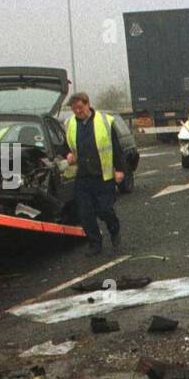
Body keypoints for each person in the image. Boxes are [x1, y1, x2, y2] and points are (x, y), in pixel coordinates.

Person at [63, 91, 123, 256]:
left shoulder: (104, 121)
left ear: (87, 104)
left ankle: (114, 228)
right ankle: (95, 244)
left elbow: (116, 148)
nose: (77, 111)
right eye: (74, 109)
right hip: (82, 177)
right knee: (85, 214)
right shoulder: (69, 124)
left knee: (104, 210)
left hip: (103, 176)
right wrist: (67, 154)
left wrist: (119, 170)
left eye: (80, 107)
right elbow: (65, 146)